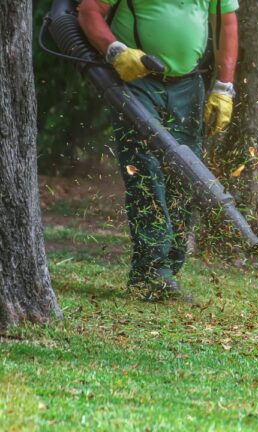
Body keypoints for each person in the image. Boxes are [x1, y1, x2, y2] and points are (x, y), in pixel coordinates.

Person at [79, 0, 239, 301]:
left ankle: (169, 270)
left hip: (189, 86)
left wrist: (224, 86)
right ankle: (151, 275)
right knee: (145, 174)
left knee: (185, 178)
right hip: (137, 83)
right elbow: (88, 11)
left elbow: (227, 23)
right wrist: (115, 51)